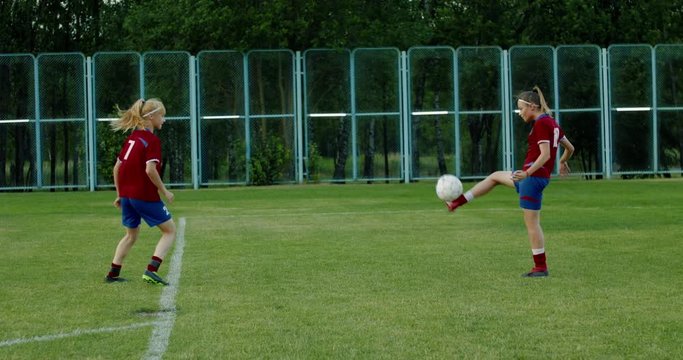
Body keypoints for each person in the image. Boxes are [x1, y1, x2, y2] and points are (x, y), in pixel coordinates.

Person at [446, 86, 574, 277]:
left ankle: (540, 267)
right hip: (532, 176)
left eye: (521, 108)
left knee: (532, 224)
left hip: (532, 178)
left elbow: (546, 154)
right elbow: (570, 147)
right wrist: (563, 161)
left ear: (532, 106)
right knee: (495, 176)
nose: (520, 113)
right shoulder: (552, 124)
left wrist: (528, 173)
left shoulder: (541, 124)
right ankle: (457, 202)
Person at [105, 98, 176, 286]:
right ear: (151, 116)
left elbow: (117, 168)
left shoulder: (132, 139)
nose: (164, 120)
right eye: (162, 115)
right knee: (170, 231)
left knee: (131, 235)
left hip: (128, 196)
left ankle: (113, 273)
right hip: (143, 195)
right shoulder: (151, 140)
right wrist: (164, 191)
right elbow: (150, 170)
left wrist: (120, 193)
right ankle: (151, 271)